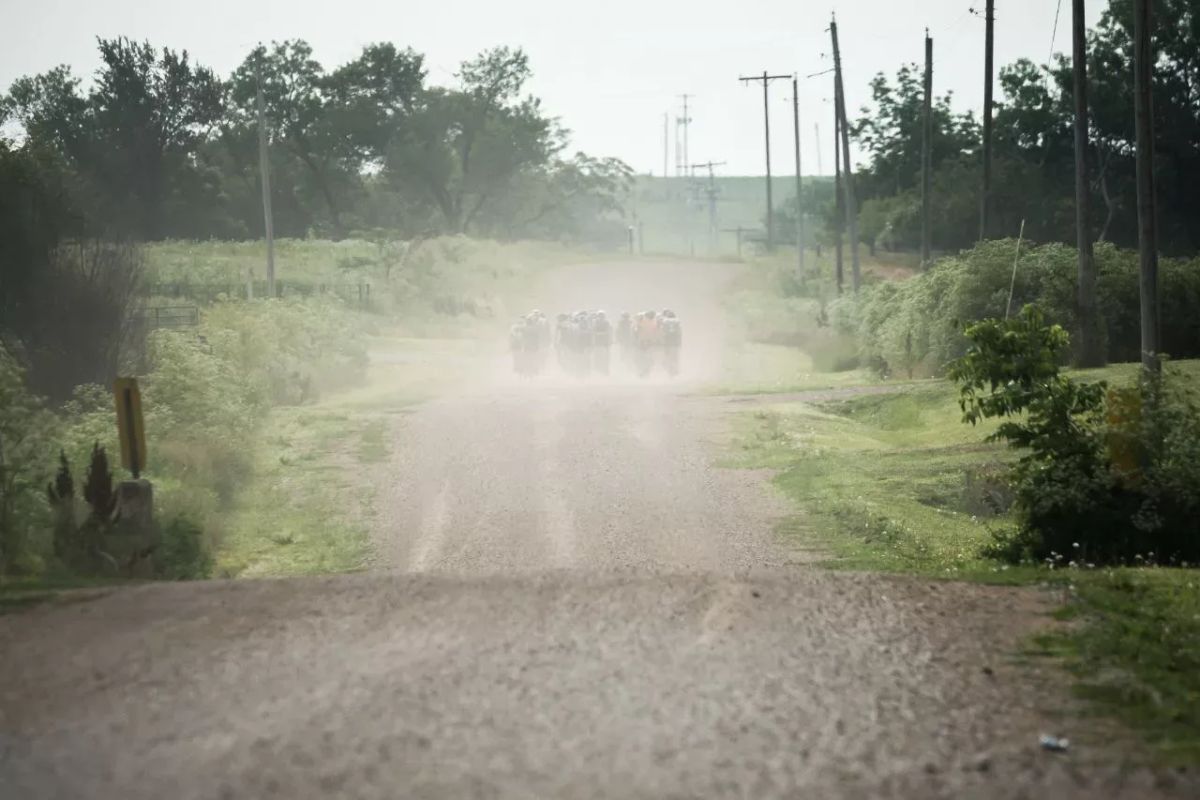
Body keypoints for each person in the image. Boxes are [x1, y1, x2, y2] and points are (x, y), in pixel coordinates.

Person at [660, 309, 682, 376]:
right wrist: (679, 342)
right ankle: (675, 369)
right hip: (675, 341)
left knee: (666, 355)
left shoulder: (665, 321)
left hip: (667, 341)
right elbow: (679, 332)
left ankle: (668, 368)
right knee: (675, 356)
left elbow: (662, 331)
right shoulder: (677, 321)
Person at [592, 310, 612, 375]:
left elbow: (609, 331)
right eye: (600, 316)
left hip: (605, 343)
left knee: (606, 357)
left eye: (602, 316)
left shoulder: (607, 322)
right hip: (598, 343)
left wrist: (600, 333)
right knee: (597, 356)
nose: (601, 317)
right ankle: (597, 369)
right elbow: (593, 331)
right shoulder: (595, 322)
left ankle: (606, 369)